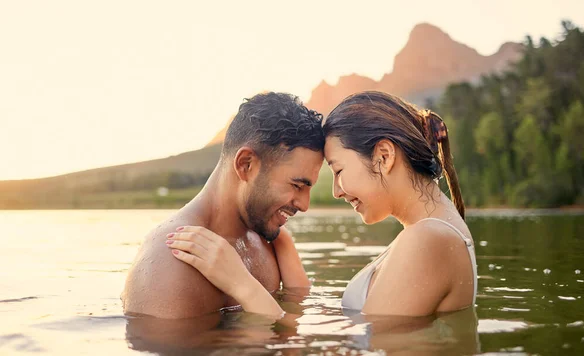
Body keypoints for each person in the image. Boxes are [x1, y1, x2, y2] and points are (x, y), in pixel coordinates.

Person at [165, 91, 477, 318]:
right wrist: (286, 252)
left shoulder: (428, 240)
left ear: (383, 156)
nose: (338, 191)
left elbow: (368, 347)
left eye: (338, 170)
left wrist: (240, 284)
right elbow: (360, 330)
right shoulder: (434, 232)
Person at [121, 92, 325, 319]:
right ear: (246, 165)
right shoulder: (172, 263)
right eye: (297, 185)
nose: (305, 205)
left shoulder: (270, 244)